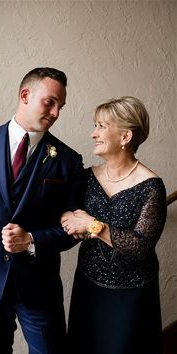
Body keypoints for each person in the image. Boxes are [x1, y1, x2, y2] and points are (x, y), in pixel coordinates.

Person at [0, 67, 85, 354]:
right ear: (25, 95)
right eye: (51, 102)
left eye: (61, 106)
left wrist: (32, 240)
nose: (57, 112)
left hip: (39, 286)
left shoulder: (68, 160)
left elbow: (73, 229)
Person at [61, 96, 167, 354]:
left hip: (131, 296)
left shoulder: (152, 187)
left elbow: (140, 246)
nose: (93, 133)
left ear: (125, 137)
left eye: (101, 126)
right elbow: (68, 214)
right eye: (95, 125)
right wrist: (69, 218)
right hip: (88, 285)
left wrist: (93, 225)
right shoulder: (86, 177)